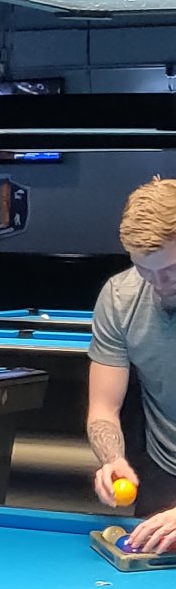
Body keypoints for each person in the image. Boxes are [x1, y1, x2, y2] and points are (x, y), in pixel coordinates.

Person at [89, 177, 176, 552]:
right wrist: (113, 459)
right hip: (163, 470)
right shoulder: (120, 297)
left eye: (171, 268)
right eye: (144, 268)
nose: (159, 282)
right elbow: (103, 408)